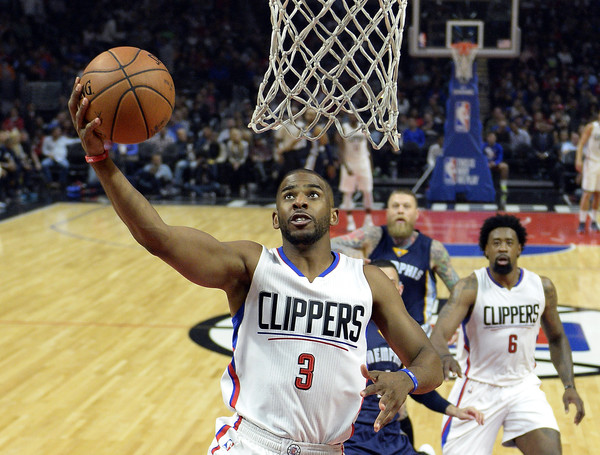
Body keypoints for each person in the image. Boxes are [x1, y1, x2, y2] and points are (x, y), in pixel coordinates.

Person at [69, 78, 443, 455]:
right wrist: (100, 161)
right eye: (288, 196)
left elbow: (429, 361)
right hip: (253, 444)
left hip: (328, 449)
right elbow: (159, 237)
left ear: (332, 215)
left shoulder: (367, 280)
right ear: (276, 218)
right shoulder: (250, 266)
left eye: (312, 195)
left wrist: (407, 379)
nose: (299, 201)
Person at [430, 214, 585, 455]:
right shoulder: (470, 287)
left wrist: (569, 386)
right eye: (496, 242)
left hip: (522, 386)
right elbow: (439, 334)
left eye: (509, 242)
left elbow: (557, 338)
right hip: (477, 386)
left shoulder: (541, 287)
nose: (503, 247)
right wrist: (443, 356)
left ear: (520, 248)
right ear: (485, 250)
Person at [331, 189, 459, 444]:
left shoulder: (432, 249)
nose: (401, 210)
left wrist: (441, 332)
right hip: (372, 327)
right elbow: (329, 245)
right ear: (387, 211)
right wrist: (356, 259)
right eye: (395, 205)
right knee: (375, 393)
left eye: (406, 206)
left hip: (411, 334)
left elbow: (458, 291)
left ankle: (399, 444)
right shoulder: (373, 236)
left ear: (416, 213)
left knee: (403, 397)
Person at [344, 259, 484, 455]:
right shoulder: (350, 327)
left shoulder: (406, 333)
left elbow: (413, 382)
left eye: (390, 282)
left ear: (399, 289)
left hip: (392, 439)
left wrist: (454, 410)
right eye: (378, 281)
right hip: (354, 440)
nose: (383, 287)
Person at [335, 115, 375, 231]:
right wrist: (345, 165)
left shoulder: (363, 127)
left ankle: (368, 219)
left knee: (367, 191)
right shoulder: (344, 128)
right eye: (351, 114)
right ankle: (350, 221)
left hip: (363, 162)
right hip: (349, 163)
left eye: (356, 114)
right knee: (348, 193)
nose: (354, 116)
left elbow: (368, 146)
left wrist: (371, 165)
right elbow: (340, 149)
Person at [575, 112, 600, 233]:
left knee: (598, 195)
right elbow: (581, 144)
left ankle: (594, 221)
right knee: (587, 194)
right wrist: (578, 159)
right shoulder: (592, 127)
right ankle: (582, 222)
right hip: (591, 163)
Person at [482, 132, 509, 209]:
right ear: (487, 138)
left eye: (493, 137)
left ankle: (503, 186)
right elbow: (480, 156)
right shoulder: (483, 146)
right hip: (485, 164)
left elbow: (500, 157)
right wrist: (486, 163)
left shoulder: (498, 146)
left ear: (495, 139)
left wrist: (495, 163)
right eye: (490, 137)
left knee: (505, 167)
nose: (491, 139)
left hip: (495, 164)